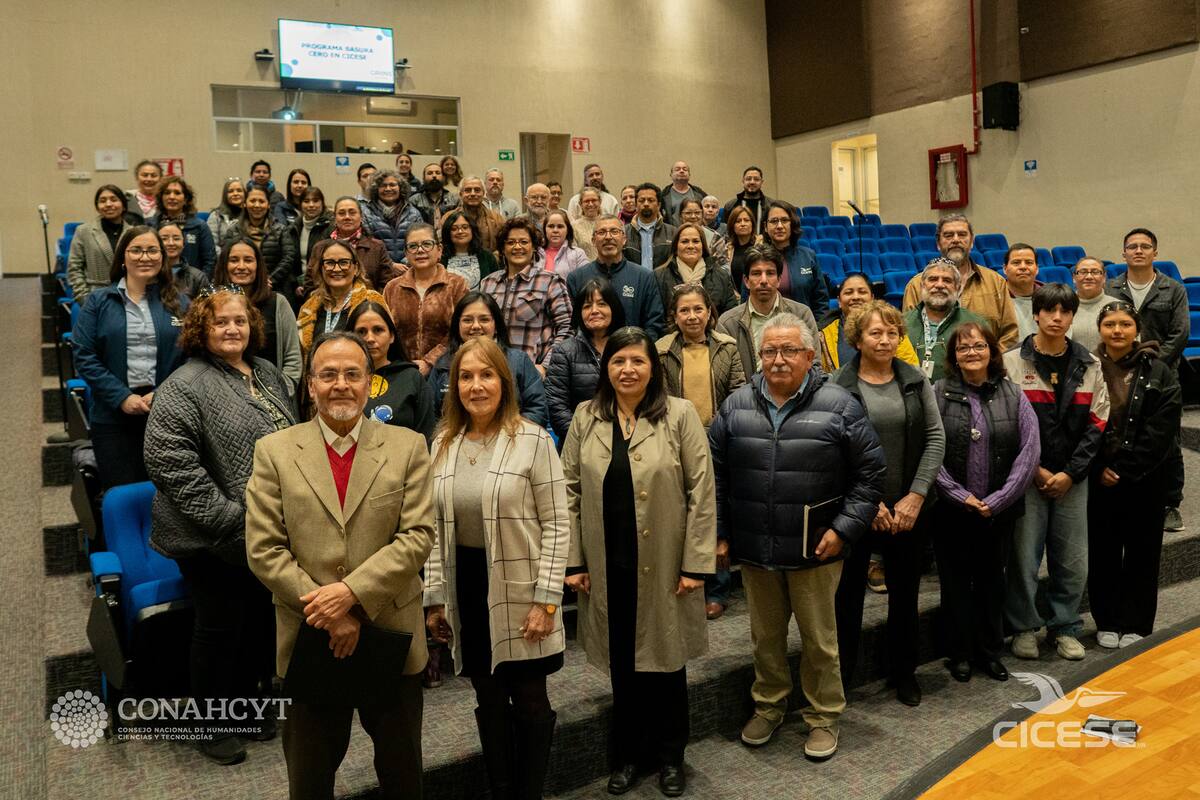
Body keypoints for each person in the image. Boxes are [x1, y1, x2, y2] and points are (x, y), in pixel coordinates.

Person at [245, 331, 434, 800]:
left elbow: (417, 537)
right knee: (309, 781)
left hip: (390, 632)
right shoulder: (275, 451)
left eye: (353, 374)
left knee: (402, 773)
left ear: (369, 383)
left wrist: (350, 597)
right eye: (328, 374)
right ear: (310, 385)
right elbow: (264, 548)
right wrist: (328, 612)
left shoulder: (408, 446)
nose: (341, 384)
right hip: (310, 633)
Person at [708, 314, 884, 760]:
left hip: (816, 549)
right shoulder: (735, 406)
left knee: (819, 641)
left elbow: (870, 475)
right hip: (756, 548)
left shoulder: (841, 404)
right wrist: (721, 534)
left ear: (810, 356)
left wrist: (844, 529)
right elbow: (714, 476)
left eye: (789, 351)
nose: (778, 360)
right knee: (764, 639)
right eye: (769, 351)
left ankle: (824, 716)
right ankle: (768, 706)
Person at [144, 287, 296, 766]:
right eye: (220, 323)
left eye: (239, 321)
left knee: (255, 622)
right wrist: (231, 518)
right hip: (208, 537)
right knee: (218, 628)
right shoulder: (183, 385)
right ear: (200, 331)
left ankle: (247, 709)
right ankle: (211, 724)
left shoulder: (267, 373)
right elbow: (170, 464)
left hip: (266, 530)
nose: (233, 329)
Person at [562, 326, 716, 797]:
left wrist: (695, 564)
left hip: (667, 562)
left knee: (667, 666)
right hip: (608, 562)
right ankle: (628, 756)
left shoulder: (680, 414)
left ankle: (671, 757)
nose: (627, 370)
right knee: (623, 666)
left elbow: (702, 491)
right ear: (606, 369)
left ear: (653, 367)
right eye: (618, 361)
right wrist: (574, 561)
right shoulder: (586, 416)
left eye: (638, 361)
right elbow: (566, 491)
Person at [425, 337, 568, 800]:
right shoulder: (442, 443)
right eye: (465, 376)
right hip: (467, 585)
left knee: (528, 699)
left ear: (504, 383)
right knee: (487, 697)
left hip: (522, 585)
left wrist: (546, 601)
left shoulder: (531, 439)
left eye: (486, 375)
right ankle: (501, 790)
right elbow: (429, 527)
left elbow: (557, 523)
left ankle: (529, 793)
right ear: (454, 386)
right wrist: (435, 599)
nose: (476, 385)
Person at [830, 301, 946, 705]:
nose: (884, 340)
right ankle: (840, 680)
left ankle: (904, 673)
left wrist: (915, 496)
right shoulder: (838, 386)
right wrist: (870, 502)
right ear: (858, 339)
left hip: (910, 511)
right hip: (858, 511)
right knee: (846, 601)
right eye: (875, 333)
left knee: (905, 595)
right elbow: (834, 452)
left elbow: (935, 437)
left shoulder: (915, 379)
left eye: (892, 333)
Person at [1003, 284, 1110, 662]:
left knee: (1071, 559)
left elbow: (1097, 423)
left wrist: (1070, 473)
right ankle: (1024, 627)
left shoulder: (1090, 364)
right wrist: (1034, 470)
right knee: (1023, 557)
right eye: (1049, 311)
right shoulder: (1012, 362)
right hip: (1026, 478)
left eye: (1064, 312)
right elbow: (1007, 424)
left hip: (1072, 480)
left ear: (1071, 317)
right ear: (1036, 314)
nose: (1057, 318)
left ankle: (1065, 626)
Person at [932, 321, 1039, 683]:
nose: (972, 353)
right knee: (956, 584)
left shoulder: (1014, 394)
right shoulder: (937, 393)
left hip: (999, 512)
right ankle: (959, 653)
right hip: (952, 511)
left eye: (979, 346)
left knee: (993, 582)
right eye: (963, 349)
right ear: (954, 357)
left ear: (992, 352)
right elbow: (930, 452)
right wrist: (960, 496)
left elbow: (1029, 452)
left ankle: (989, 651)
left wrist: (999, 499)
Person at [1088, 301, 1181, 648]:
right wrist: (1099, 467)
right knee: (1104, 552)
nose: (1117, 330)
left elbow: (1163, 426)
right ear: (1100, 328)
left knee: (1143, 553)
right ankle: (1107, 620)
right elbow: (1077, 422)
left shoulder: (1158, 370)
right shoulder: (1087, 366)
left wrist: (1124, 469)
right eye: (1110, 323)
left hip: (1146, 477)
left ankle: (1138, 624)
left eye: (1125, 324)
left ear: (1136, 329)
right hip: (1099, 477)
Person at [72, 227, 188, 489]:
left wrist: (163, 393)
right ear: (122, 258)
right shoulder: (98, 301)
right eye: (136, 250)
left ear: (162, 257)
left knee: (169, 494)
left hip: (167, 412)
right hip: (113, 415)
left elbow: (192, 358)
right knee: (122, 491)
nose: (144, 257)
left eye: (152, 250)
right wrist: (121, 397)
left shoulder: (180, 303)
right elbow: (84, 354)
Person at [656, 283, 745, 620]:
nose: (692, 316)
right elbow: (660, 399)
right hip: (677, 441)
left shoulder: (728, 346)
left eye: (698, 309)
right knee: (681, 515)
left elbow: (737, 393)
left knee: (714, 514)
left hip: (719, 438)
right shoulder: (662, 350)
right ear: (674, 316)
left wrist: (718, 431)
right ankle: (683, 583)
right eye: (684, 310)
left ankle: (717, 589)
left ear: (709, 312)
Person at [1106, 227, 1188, 532]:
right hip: (1118, 375)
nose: (1138, 250)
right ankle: (1126, 492)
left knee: (1168, 440)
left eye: (1145, 246)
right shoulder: (1111, 289)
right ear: (1123, 253)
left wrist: (1151, 365)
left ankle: (1170, 504)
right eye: (1132, 246)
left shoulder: (1173, 289)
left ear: (1155, 252)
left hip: (1161, 378)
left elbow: (1179, 334)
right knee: (1121, 435)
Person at [428, 292, 548, 427]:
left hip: (512, 441)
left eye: (484, 319)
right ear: (458, 325)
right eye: (467, 320)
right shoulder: (442, 364)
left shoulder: (519, 362)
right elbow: (430, 415)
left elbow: (538, 409)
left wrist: (504, 434)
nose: (476, 326)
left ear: (496, 325)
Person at [901, 214, 1019, 349]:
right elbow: (906, 334)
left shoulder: (996, 282)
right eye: (948, 235)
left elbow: (1010, 333)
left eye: (962, 234)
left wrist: (990, 362)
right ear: (938, 243)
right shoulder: (916, 286)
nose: (956, 240)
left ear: (972, 241)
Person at [481, 218, 572, 374]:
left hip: (532, 372)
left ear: (534, 247)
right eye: (511, 242)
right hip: (492, 370)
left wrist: (545, 365)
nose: (517, 247)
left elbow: (567, 328)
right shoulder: (488, 283)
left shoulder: (550, 281)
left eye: (524, 242)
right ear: (503, 248)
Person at [213, 238, 303, 391]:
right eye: (234, 260)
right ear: (224, 265)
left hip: (274, 396)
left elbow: (293, 358)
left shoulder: (278, 303)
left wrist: (279, 394)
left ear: (258, 265)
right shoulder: (211, 305)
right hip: (223, 396)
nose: (241, 266)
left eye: (248, 260)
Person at [715, 244, 819, 376]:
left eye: (770, 273)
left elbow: (813, 365)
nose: (763, 280)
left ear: (779, 280)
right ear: (746, 281)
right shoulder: (727, 323)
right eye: (756, 273)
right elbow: (725, 376)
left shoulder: (802, 314)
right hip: (747, 394)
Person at [382, 223, 469, 376]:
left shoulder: (457, 285)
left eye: (427, 244)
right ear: (406, 254)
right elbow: (386, 332)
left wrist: (430, 361)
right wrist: (405, 366)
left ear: (439, 250)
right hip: (401, 371)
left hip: (446, 371)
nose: (420, 250)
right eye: (413, 246)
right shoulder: (392, 288)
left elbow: (460, 331)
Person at [545, 278, 626, 441]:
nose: (594, 310)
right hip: (580, 443)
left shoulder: (629, 346)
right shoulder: (564, 351)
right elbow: (557, 407)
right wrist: (585, 441)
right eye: (587, 306)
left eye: (602, 304)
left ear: (614, 308)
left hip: (625, 441)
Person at [567, 215, 666, 339]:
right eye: (602, 232)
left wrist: (639, 351)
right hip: (588, 354)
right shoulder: (576, 278)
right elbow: (573, 325)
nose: (608, 237)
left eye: (614, 231)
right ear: (593, 240)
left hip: (631, 352)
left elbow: (654, 323)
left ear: (624, 239)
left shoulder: (644, 277)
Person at [348, 300, 436, 441]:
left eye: (378, 330)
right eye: (361, 332)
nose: (370, 338)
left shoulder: (412, 378)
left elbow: (427, 437)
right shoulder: (341, 381)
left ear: (392, 336)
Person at [902, 258, 987, 383]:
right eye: (933, 279)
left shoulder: (976, 324)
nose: (940, 285)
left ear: (958, 288)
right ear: (922, 286)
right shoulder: (900, 324)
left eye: (947, 280)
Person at [297, 240, 388, 356]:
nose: (337, 269)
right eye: (329, 263)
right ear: (321, 269)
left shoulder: (372, 300)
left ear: (356, 268)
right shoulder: (308, 308)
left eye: (344, 262)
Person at [818, 273, 918, 372]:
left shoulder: (891, 327)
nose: (855, 297)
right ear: (839, 301)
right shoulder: (824, 332)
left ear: (872, 298)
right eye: (848, 292)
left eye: (862, 292)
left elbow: (910, 368)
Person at [220, 186, 297, 300]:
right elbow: (225, 258)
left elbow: (289, 257)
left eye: (261, 201)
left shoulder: (280, 229)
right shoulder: (233, 231)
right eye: (252, 201)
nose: (257, 205)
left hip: (275, 288)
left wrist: (268, 280)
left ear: (268, 205)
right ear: (245, 204)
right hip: (238, 292)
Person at [308, 196, 397, 296]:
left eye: (352, 212)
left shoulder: (377, 247)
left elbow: (387, 283)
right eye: (341, 213)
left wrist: (371, 304)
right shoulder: (319, 248)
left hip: (368, 307)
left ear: (361, 216)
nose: (347, 217)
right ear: (335, 218)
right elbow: (310, 283)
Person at [653, 224, 739, 317]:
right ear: (676, 246)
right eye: (685, 241)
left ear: (703, 245)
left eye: (696, 241)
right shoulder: (659, 277)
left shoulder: (721, 276)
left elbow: (730, 316)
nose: (690, 246)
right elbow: (656, 317)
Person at [68, 184, 133, 301]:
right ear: (97, 207)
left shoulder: (133, 232)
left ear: (123, 205)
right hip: (95, 295)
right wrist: (84, 299)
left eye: (114, 199)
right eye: (102, 201)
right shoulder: (83, 231)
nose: (108, 204)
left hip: (129, 295)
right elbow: (74, 268)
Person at [763, 202, 827, 313]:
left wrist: (817, 328)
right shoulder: (757, 258)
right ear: (765, 227)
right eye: (774, 221)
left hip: (804, 326)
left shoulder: (808, 256)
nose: (779, 226)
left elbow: (821, 301)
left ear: (792, 224)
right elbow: (746, 300)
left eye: (784, 220)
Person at [145, 176, 217, 274]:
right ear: (161, 198)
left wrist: (200, 283)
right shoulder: (150, 225)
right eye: (167, 193)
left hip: (192, 283)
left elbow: (210, 261)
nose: (172, 197)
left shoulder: (199, 226)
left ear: (186, 199)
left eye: (177, 193)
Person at [362, 169, 425, 262]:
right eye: (383, 185)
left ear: (401, 188)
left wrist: (406, 262)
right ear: (376, 189)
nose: (388, 189)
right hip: (379, 269)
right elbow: (367, 246)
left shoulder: (414, 213)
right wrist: (390, 264)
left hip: (408, 268)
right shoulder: (366, 213)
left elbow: (420, 241)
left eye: (392, 185)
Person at [1067, 257, 1118, 353]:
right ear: (1074, 278)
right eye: (1083, 272)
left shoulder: (1118, 307)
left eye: (1095, 272)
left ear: (1104, 277)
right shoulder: (1063, 307)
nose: (1089, 277)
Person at [440, 210, 499, 290]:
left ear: (472, 230)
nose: (460, 231)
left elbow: (497, 285)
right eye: (454, 229)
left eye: (465, 227)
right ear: (447, 232)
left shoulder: (487, 256)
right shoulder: (440, 258)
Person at [623, 183, 676, 271]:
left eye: (651, 200)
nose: (646, 204)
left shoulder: (673, 232)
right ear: (636, 205)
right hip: (633, 282)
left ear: (659, 205)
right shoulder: (623, 232)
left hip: (662, 282)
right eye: (642, 200)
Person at [287, 187, 334, 280]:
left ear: (322, 203)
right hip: (298, 285)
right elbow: (290, 261)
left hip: (324, 282)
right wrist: (295, 284)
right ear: (300, 204)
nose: (311, 205)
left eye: (316, 201)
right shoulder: (293, 228)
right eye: (306, 201)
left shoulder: (331, 226)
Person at [158, 221, 208, 300]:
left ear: (183, 244)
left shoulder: (197, 277)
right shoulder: (149, 274)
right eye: (164, 239)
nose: (171, 243)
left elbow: (204, 309)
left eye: (176, 238)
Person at [455, 176, 507, 252]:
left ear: (483, 193)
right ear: (460, 194)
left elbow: (503, 246)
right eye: (468, 190)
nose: (472, 194)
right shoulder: (449, 218)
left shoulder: (497, 219)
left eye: (477, 190)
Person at [721, 166, 776, 234]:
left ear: (762, 182)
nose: (752, 182)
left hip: (765, 244)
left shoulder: (772, 205)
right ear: (743, 181)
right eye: (748, 179)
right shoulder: (730, 205)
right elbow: (726, 231)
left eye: (756, 179)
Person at [678, 199, 729, 271]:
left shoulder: (715, 238)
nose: (693, 216)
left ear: (702, 215)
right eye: (688, 213)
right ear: (680, 216)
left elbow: (725, 267)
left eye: (697, 212)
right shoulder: (673, 236)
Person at [1004, 243, 1041, 339]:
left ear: (1037, 269)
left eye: (1029, 262)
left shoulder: (1050, 298)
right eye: (1016, 263)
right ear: (1005, 269)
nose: (1023, 267)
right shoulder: (995, 298)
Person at [540, 209, 589, 278]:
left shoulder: (578, 254)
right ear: (544, 229)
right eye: (551, 226)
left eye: (560, 226)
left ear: (567, 230)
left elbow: (586, 281)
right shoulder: (535, 253)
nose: (555, 230)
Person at [410, 162, 459, 227]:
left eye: (438, 173)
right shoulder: (414, 200)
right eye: (430, 173)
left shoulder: (454, 199)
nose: (434, 176)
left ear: (443, 177)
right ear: (423, 178)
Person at [725, 205, 760, 295]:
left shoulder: (762, 246)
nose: (743, 224)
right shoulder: (727, 250)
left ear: (752, 223)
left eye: (746, 220)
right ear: (732, 225)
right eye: (738, 221)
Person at [660, 161, 707, 226]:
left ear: (689, 175)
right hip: (672, 233)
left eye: (685, 169)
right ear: (671, 175)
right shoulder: (663, 195)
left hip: (696, 232)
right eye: (677, 169)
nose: (681, 171)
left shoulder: (699, 194)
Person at [207, 178, 245, 247]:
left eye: (239, 191)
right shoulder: (216, 215)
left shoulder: (250, 214)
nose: (235, 194)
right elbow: (211, 245)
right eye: (231, 191)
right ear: (225, 195)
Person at [569, 187, 604, 261]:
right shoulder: (574, 227)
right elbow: (574, 255)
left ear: (600, 201)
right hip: (585, 269)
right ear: (580, 204)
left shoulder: (608, 223)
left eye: (594, 200)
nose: (590, 204)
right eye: (586, 201)